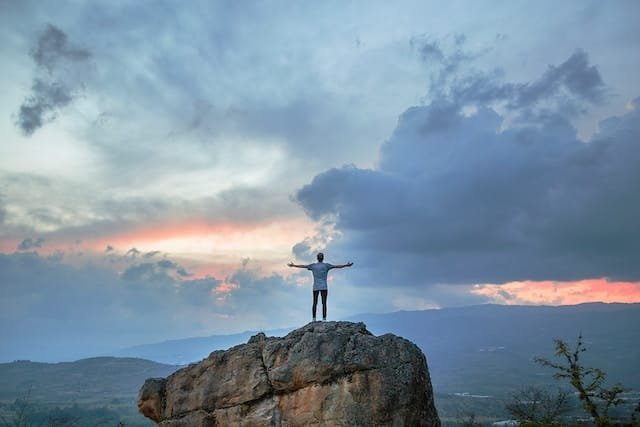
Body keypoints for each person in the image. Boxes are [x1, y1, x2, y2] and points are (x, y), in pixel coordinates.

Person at [288, 252, 353, 322]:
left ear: (317, 258)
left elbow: (303, 266)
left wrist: (294, 265)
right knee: (324, 303)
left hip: (315, 287)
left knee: (314, 303)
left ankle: (313, 319)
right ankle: (324, 319)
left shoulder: (313, 266)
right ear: (323, 258)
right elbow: (337, 266)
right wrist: (346, 265)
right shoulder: (326, 266)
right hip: (324, 287)